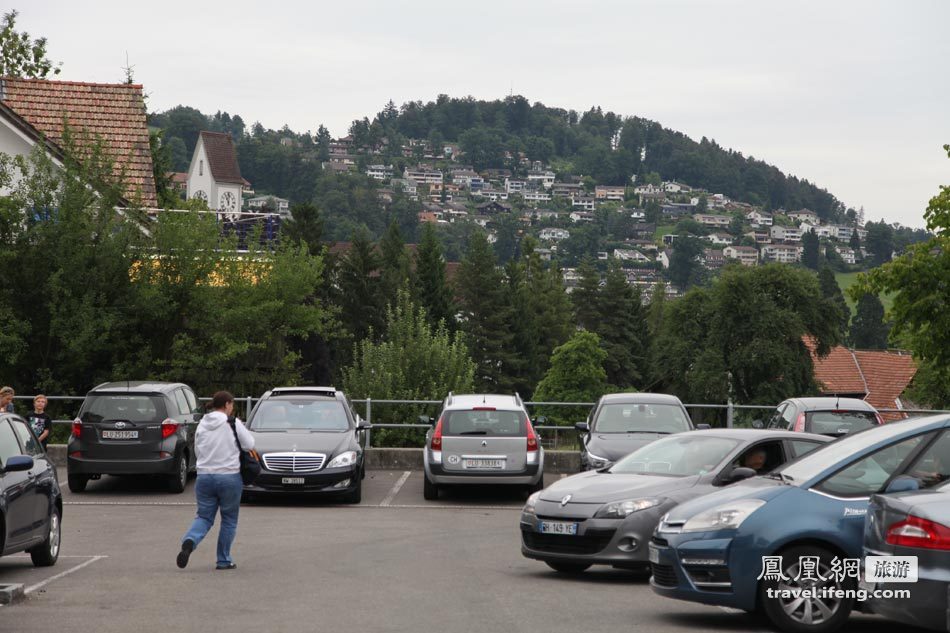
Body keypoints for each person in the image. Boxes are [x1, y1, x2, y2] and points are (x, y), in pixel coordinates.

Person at [177, 391, 254, 571]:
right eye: (232, 405)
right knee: (229, 519)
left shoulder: (202, 424)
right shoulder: (232, 422)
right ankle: (223, 560)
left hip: (204, 477)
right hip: (229, 476)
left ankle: (190, 541)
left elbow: (197, 450)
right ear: (227, 404)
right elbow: (249, 444)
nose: (232, 408)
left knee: (204, 516)